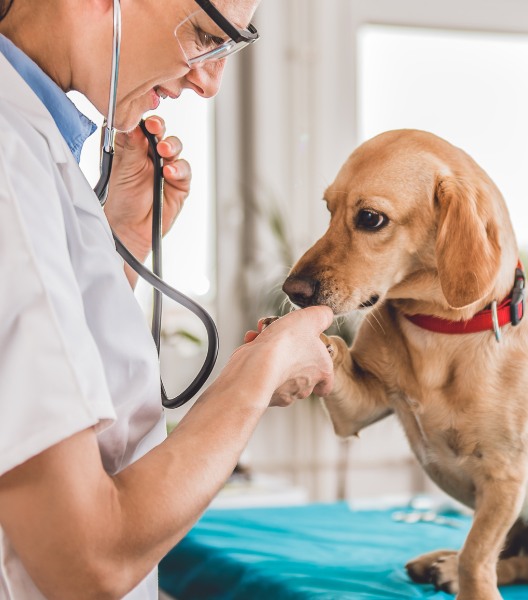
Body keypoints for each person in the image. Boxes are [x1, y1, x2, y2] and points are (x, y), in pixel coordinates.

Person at [0, 1, 334, 598]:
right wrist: (254, 380)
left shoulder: (32, 143)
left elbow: (40, 382)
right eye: (207, 34)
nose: (208, 82)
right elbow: (86, 561)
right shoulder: (9, 160)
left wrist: (120, 241)